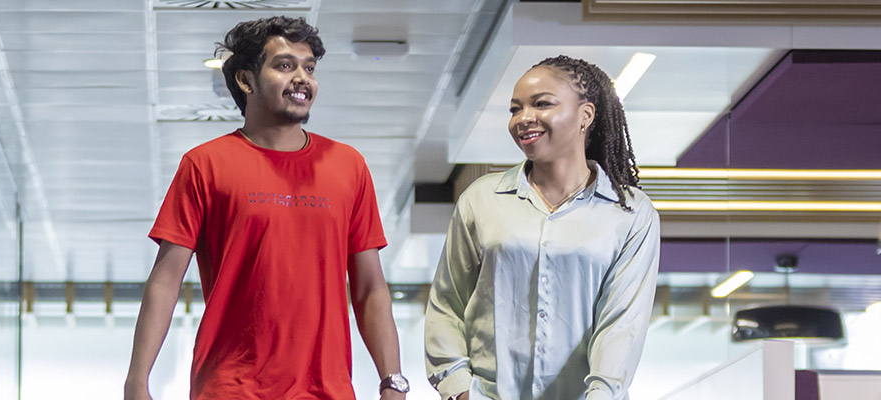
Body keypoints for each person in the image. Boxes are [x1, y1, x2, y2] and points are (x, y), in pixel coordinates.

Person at [125, 16, 408, 400]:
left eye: (309, 68)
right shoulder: (204, 165)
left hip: (326, 390)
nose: (303, 78)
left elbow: (370, 287)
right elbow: (165, 280)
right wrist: (137, 381)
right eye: (285, 65)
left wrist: (393, 380)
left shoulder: (348, 166)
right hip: (229, 388)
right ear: (246, 80)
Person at [424, 55, 660, 400]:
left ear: (586, 115)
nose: (524, 119)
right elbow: (446, 306)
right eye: (515, 109)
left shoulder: (631, 212)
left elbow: (622, 324)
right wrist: (460, 392)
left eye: (542, 104)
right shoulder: (482, 199)